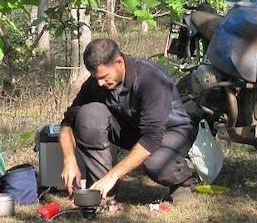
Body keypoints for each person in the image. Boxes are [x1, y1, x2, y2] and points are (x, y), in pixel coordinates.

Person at [59, 38, 199, 204]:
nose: (100, 83)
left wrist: (114, 174)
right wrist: (69, 160)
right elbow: (67, 123)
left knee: (155, 164)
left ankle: (183, 179)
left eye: (104, 77)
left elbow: (151, 138)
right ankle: (104, 192)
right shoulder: (97, 82)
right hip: (133, 129)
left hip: (172, 131)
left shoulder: (151, 79)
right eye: (96, 77)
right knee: (87, 116)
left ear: (119, 62)